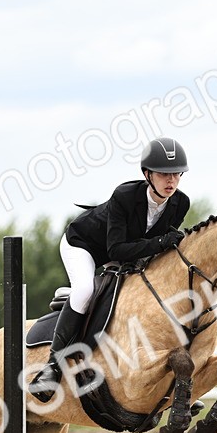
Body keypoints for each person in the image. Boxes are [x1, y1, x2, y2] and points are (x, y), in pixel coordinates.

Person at [28, 137, 191, 402]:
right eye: (163, 174)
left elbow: (150, 250)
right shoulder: (125, 196)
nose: (171, 181)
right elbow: (116, 250)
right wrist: (161, 242)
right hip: (84, 245)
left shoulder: (180, 203)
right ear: (147, 174)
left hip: (125, 254)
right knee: (84, 290)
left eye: (176, 174)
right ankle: (52, 368)